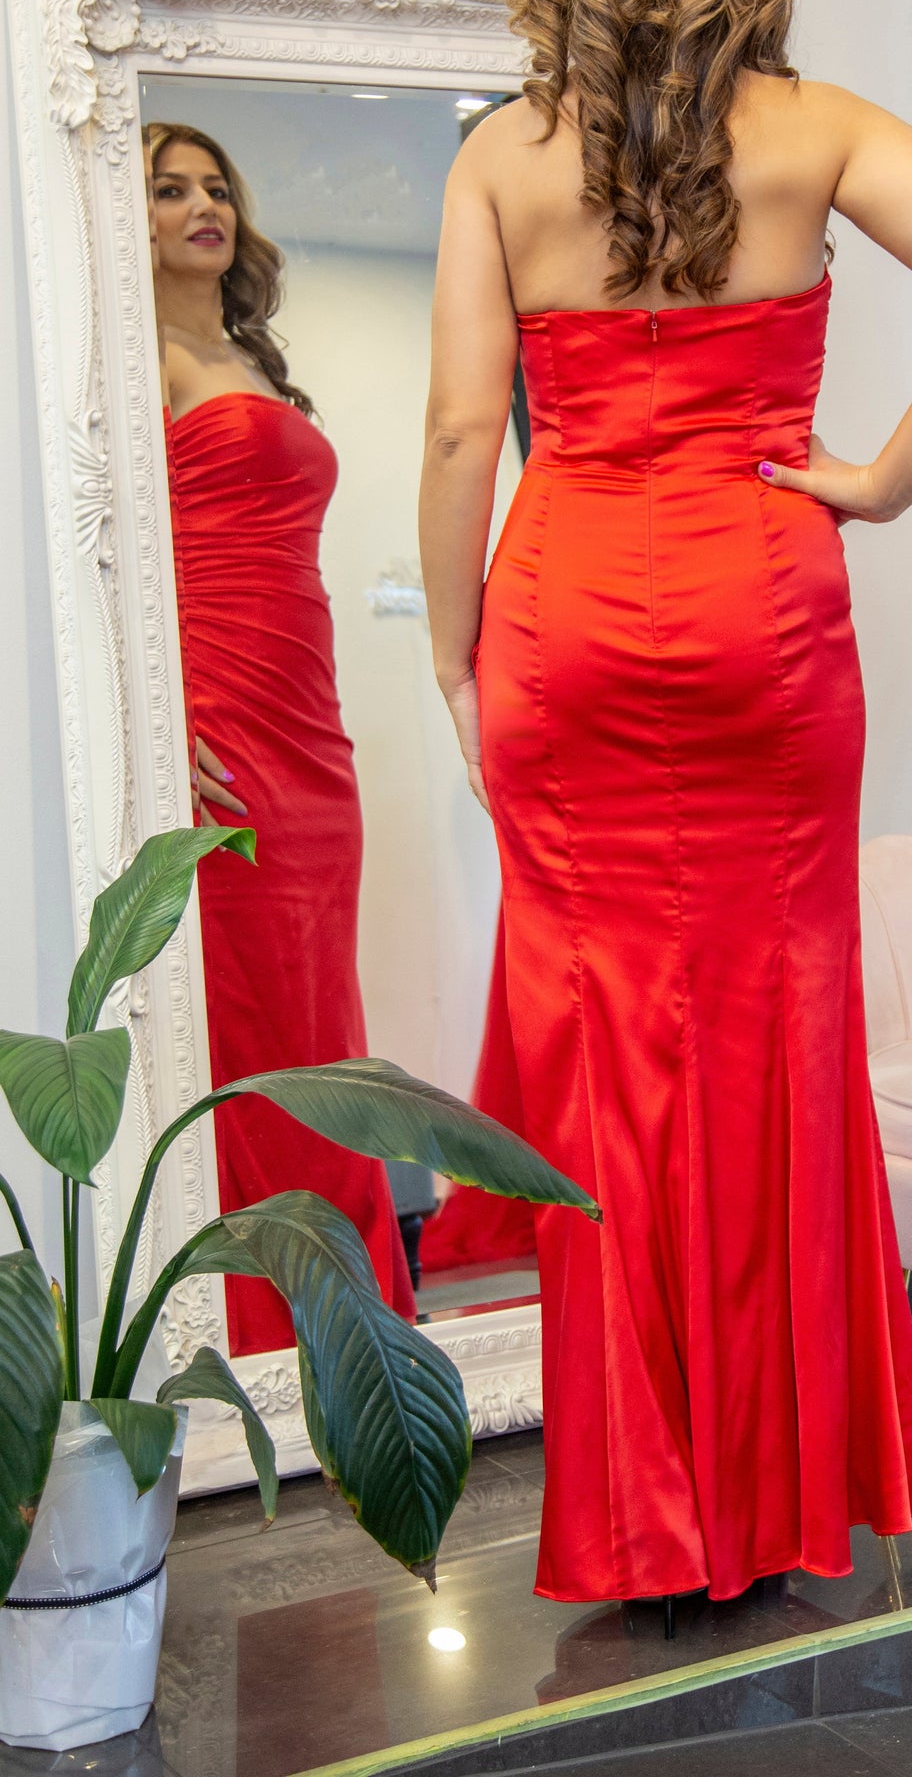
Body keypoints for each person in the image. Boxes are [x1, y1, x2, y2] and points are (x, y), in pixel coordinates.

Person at [418, 0, 912, 1611]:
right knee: (775, 1027)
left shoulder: (500, 161)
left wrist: (453, 653)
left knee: (608, 1052)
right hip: (763, 607)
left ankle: (639, 1511)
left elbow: (467, 429)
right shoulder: (817, 125)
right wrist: (887, 477)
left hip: (570, 616)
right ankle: (771, 1497)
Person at [147, 121, 415, 1357]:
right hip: (223, 715)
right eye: (166, 188)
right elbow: (98, 555)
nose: (201, 205)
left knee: (320, 1014)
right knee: (253, 1024)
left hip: (311, 722)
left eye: (213, 187)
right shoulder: (134, 353)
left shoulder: (246, 353)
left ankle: (357, 1320)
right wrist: (152, 715)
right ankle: (269, 1325)